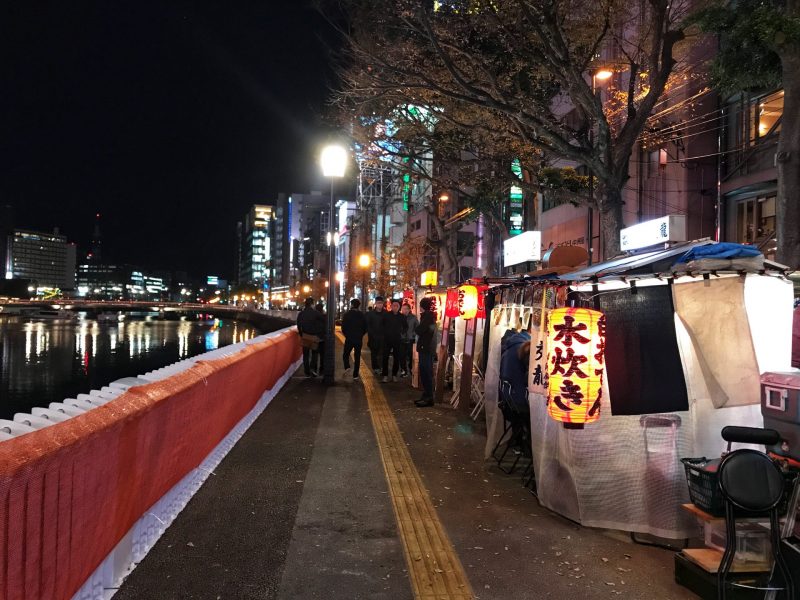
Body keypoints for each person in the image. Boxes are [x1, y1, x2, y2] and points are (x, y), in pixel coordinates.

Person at [415, 297, 437, 407]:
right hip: (427, 348)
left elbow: (419, 330)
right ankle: (426, 395)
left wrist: (417, 327)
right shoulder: (430, 316)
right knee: (425, 372)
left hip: (426, 348)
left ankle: (429, 397)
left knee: (426, 372)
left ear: (422, 306)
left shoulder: (427, 316)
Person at [296, 297, 324, 377]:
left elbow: (299, 325)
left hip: (305, 335)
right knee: (315, 353)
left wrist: (301, 334)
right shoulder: (315, 313)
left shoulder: (301, 313)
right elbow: (322, 319)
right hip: (314, 336)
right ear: (312, 304)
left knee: (306, 355)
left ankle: (307, 371)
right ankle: (312, 369)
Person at [341, 298, 367, 379]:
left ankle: (347, 366)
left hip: (349, 338)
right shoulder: (362, 315)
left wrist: (347, 334)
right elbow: (365, 327)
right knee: (357, 356)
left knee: (346, 354)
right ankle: (355, 375)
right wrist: (360, 334)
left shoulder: (347, 314)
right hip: (358, 339)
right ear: (358, 305)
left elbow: (343, 327)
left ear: (352, 305)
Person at [381, 298, 406, 382]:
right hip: (387, 339)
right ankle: (385, 375)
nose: (395, 307)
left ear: (399, 307)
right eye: (394, 305)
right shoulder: (386, 315)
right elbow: (382, 325)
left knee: (396, 358)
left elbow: (406, 327)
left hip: (397, 339)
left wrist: (402, 333)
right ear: (391, 306)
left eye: (397, 306)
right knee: (385, 358)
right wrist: (384, 333)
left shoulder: (402, 316)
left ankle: (394, 375)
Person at [365, 296, 386, 374]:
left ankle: (380, 367)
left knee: (381, 353)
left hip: (383, 338)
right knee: (374, 353)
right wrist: (372, 334)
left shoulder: (386, 313)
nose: (380, 305)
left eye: (381, 303)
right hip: (373, 338)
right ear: (375, 304)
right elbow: (368, 326)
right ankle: (375, 367)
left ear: (383, 304)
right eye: (378, 303)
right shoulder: (370, 314)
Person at [399, 302, 419, 378]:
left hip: (411, 339)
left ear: (409, 309)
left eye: (406, 309)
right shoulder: (399, 317)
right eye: (403, 309)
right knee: (401, 355)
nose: (405, 310)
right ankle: (403, 370)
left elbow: (417, 327)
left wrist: (413, 334)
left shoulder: (413, 317)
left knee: (411, 355)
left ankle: (411, 368)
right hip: (401, 339)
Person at [313, 302, 327, 374]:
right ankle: (322, 370)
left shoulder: (313, 317)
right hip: (323, 338)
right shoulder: (325, 316)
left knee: (314, 355)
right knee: (323, 355)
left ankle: (314, 370)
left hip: (315, 337)